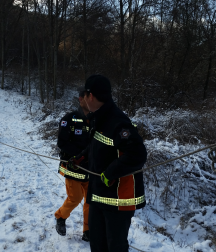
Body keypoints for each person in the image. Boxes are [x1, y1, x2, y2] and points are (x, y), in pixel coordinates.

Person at [74, 74, 147, 252]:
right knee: (97, 245)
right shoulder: (99, 117)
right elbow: (98, 146)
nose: (82, 99)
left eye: (84, 95)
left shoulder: (117, 122)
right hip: (99, 196)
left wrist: (110, 173)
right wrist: (82, 158)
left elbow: (137, 154)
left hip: (118, 201)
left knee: (115, 248)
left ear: (90, 96)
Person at [55, 90, 91, 241]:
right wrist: (79, 156)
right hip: (73, 167)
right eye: (87, 98)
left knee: (91, 201)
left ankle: (88, 230)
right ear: (81, 99)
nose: (91, 101)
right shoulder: (69, 119)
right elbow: (61, 143)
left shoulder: (98, 120)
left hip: (91, 169)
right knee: (75, 198)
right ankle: (60, 217)